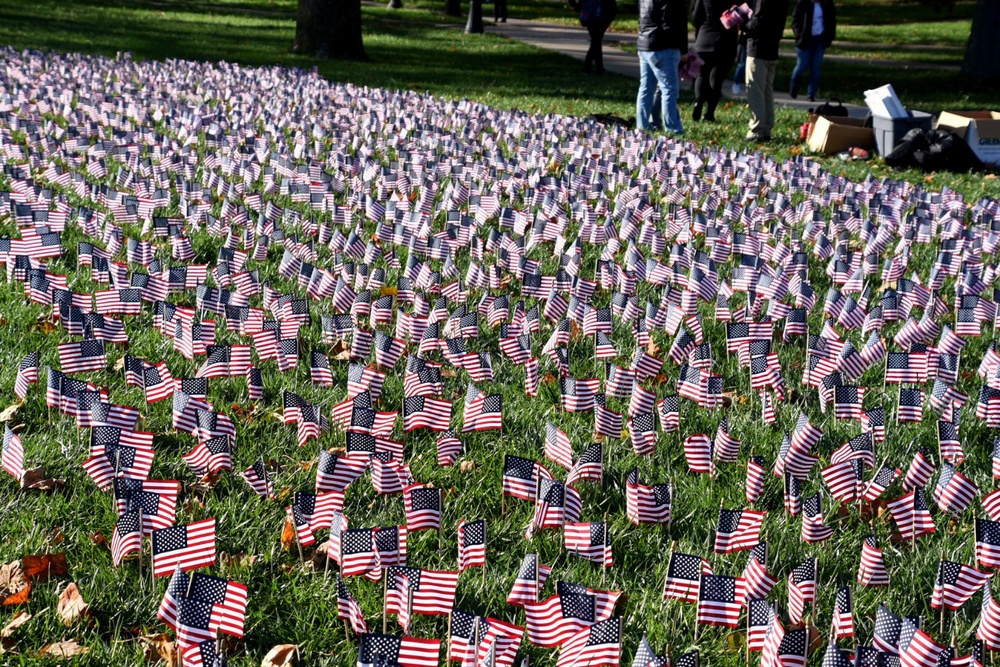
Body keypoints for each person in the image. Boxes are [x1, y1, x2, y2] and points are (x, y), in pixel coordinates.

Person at [635, 0, 688, 134]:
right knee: (669, 90)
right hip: (663, 47)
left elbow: (641, 19)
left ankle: (642, 126)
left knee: (646, 88)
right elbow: (675, 24)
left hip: (645, 44)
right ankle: (673, 129)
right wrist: (683, 49)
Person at [743, 0, 789, 141]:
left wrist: (744, 27)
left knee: (755, 90)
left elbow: (758, 21)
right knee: (767, 91)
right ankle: (766, 128)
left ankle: (756, 129)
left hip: (758, 48)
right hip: (772, 48)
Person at [691, 0, 739, 122]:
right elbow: (743, 13)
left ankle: (698, 102)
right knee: (716, 80)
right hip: (725, 41)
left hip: (704, 38)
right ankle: (709, 114)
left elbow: (696, 16)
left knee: (701, 75)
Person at [790, 0, 835, 101]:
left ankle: (811, 93)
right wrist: (798, 34)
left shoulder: (827, 3)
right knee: (802, 64)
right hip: (804, 39)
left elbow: (832, 20)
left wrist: (829, 37)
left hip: (820, 39)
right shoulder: (803, 3)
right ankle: (794, 86)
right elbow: (795, 20)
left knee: (816, 66)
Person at [571, 0, 617, 74]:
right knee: (596, 41)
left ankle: (595, 68)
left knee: (596, 41)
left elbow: (577, 5)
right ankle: (592, 68)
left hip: (593, 15)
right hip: (602, 14)